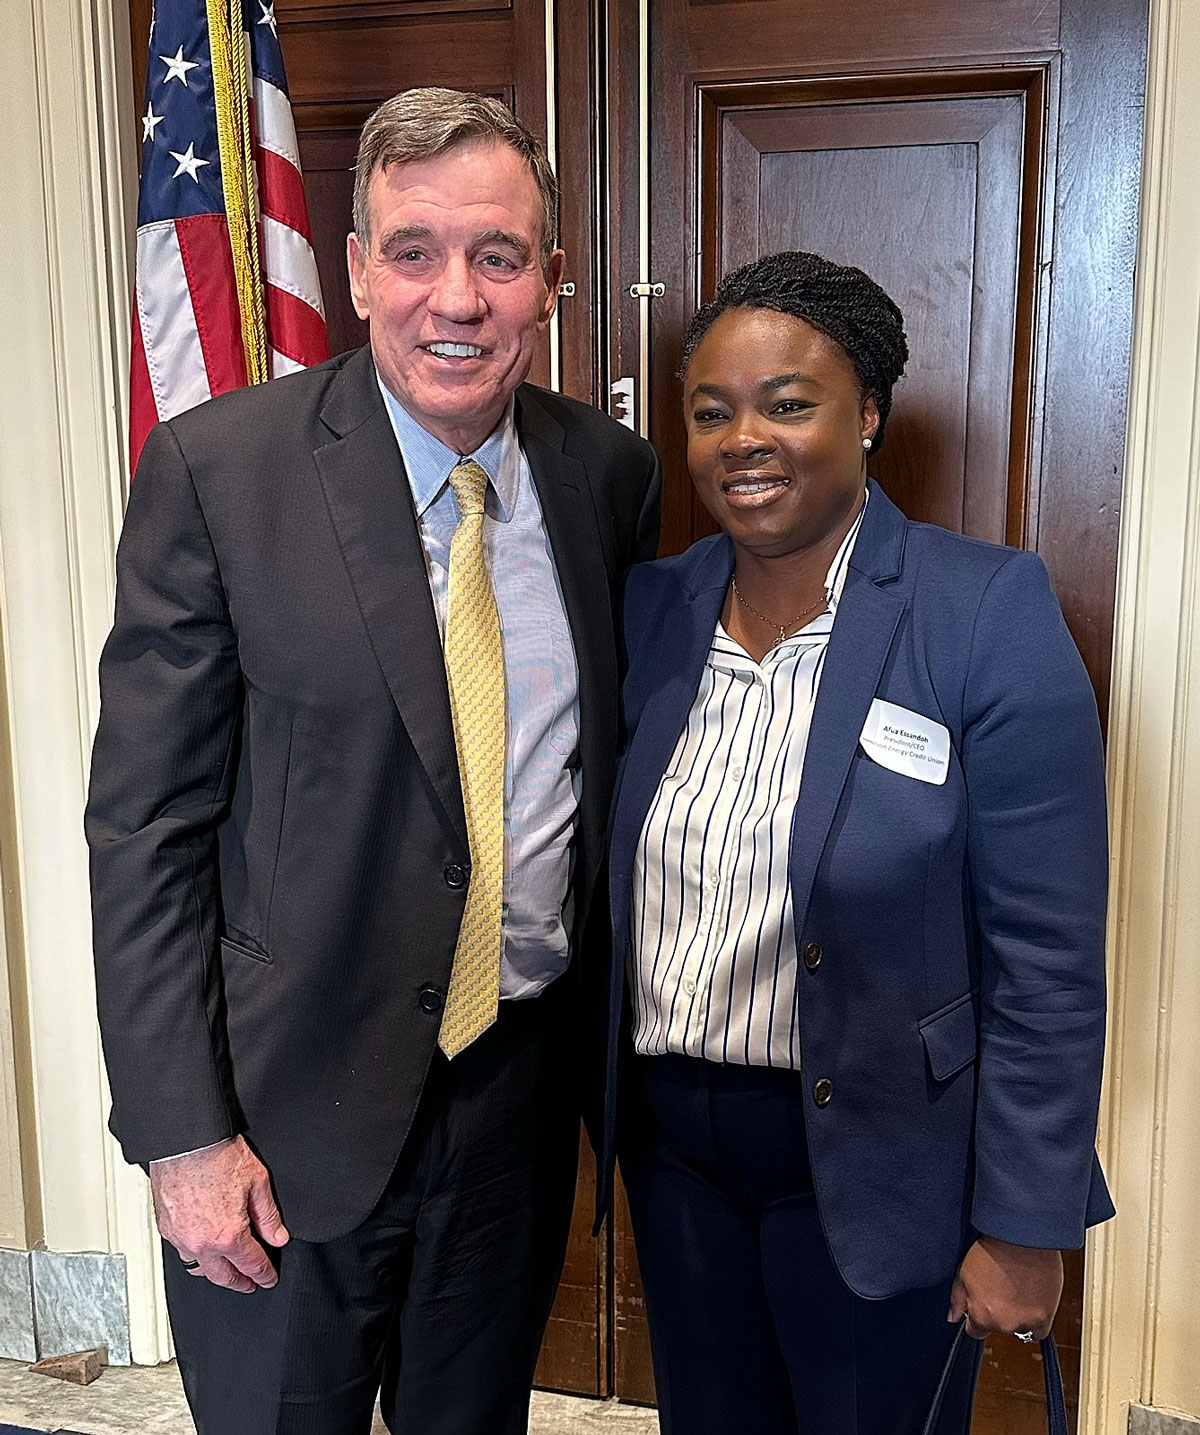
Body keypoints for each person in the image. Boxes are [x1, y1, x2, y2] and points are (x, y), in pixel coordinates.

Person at [86, 87, 659, 1435]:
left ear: (553, 281)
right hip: (281, 1121)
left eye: (498, 256)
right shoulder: (219, 474)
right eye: (413, 251)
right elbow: (146, 830)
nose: (453, 297)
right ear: (354, 272)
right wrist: (183, 1136)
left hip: (513, 1099)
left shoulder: (608, 479)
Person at [600, 250, 1113, 1435]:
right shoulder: (653, 611)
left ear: (869, 413)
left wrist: (1026, 1223)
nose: (745, 439)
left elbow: (1046, 957)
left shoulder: (982, 610)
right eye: (712, 410)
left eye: (790, 402)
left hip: (887, 1165)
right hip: (679, 1159)